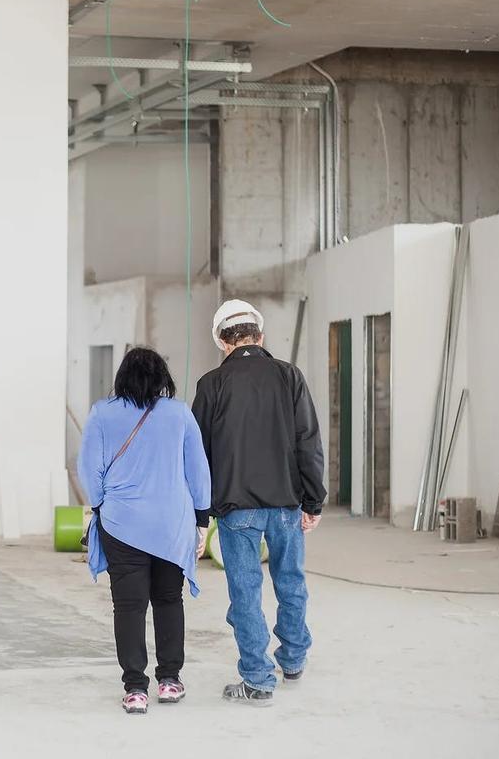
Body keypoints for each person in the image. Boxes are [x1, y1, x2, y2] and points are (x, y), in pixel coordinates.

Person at [192, 299, 328, 706]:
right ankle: (293, 658)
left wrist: (200, 514)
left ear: (221, 340)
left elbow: (197, 454)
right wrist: (313, 501)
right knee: (291, 581)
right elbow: (309, 442)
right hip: (287, 502)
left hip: (237, 508)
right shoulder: (290, 376)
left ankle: (257, 678)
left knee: (246, 592)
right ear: (261, 336)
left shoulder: (211, 384)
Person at [80, 346, 212, 715]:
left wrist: (101, 504)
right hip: (171, 524)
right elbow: (198, 471)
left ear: (122, 377)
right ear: (161, 379)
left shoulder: (102, 414)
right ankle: (170, 679)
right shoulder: (180, 414)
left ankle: (135, 688)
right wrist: (202, 519)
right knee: (169, 600)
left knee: (129, 606)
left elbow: (89, 470)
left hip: (122, 526)